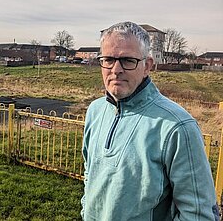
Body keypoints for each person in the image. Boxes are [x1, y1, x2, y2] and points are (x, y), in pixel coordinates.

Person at [81, 21, 218, 220]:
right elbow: (90, 174)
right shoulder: (95, 111)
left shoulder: (177, 127)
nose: (116, 69)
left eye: (128, 60)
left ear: (147, 66)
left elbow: (198, 214)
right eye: (108, 59)